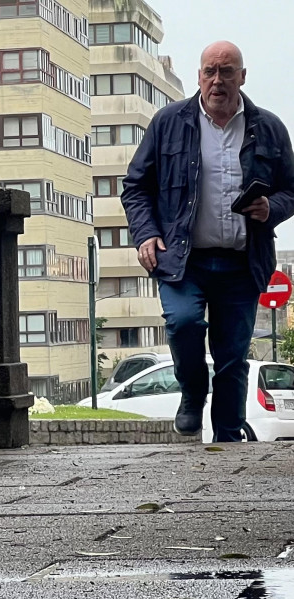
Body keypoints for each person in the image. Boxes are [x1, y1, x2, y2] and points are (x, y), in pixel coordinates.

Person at [121, 41, 294, 441]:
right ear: (199, 76)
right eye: (209, 71)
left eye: (227, 71)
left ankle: (229, 439)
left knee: (233, 358)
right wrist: (146, 233)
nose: (217, 80)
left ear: (242, 77)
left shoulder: (267, 127)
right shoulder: (169, 122)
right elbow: (135, 186)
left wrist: (273, 207)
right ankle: (193, 392)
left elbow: (291, 189)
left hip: (242, 261)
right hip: (183, 261)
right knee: (183, 323)